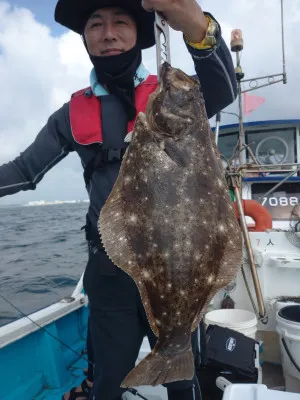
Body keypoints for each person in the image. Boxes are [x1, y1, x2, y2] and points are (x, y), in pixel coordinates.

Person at [0, 0, 238, 399]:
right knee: (109, 378)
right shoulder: (72, 113)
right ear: (85, 38)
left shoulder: (177, 98)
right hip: (109, 272)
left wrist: (197, 26)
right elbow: (24, 171)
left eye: (120, 22)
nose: (108, 33)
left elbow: (223, 88)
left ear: (140, 34)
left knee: (183, 381)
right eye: (96, 24)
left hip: (184, 266)